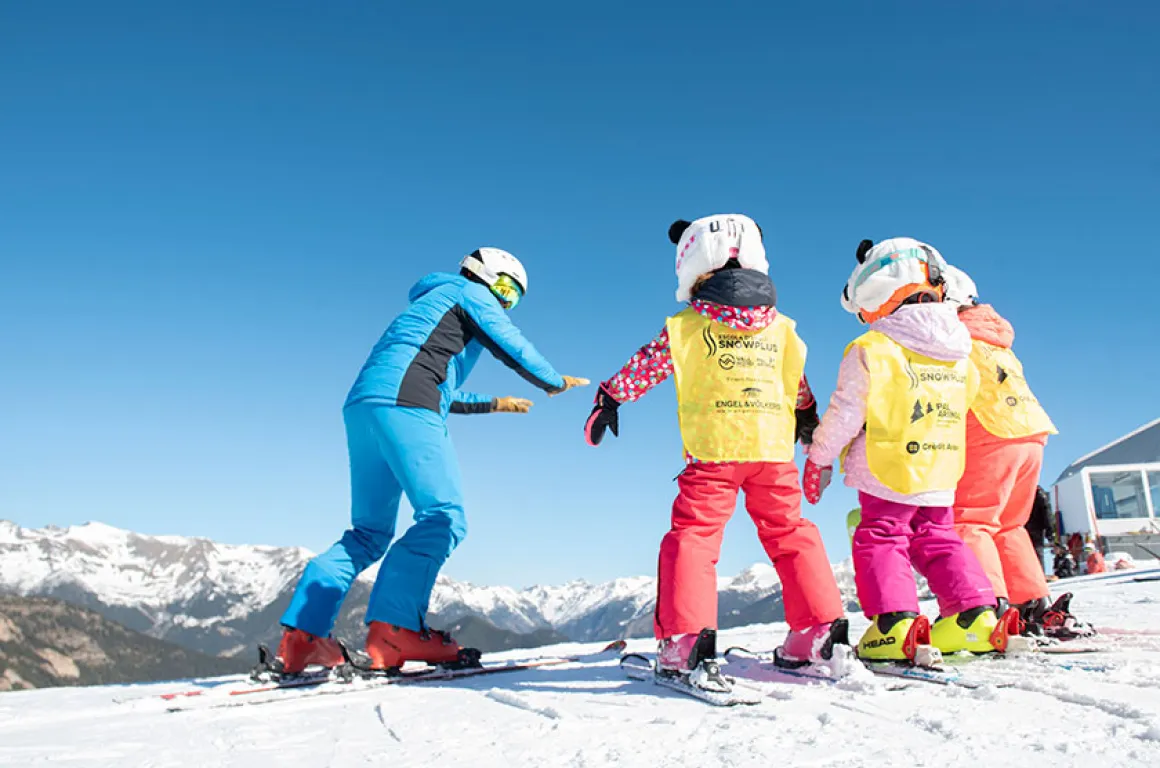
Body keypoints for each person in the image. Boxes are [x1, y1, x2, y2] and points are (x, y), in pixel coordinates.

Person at [275, 248, 588, 674]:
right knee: (444, 517)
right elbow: (509, 343)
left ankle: (303, 638)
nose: (505, 301)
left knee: (368, 533)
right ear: (481, 274)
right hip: (405, 405)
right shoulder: (468, 293)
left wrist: (496, 403)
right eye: (504, 288)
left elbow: (429, 385)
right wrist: (552, 380)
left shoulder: (431, 305)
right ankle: (395, 633)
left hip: (365, 408)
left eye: (514, 297)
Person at [584, 214, 847, 686]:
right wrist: (807, 417)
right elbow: (797, 383)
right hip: (772, 451)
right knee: (790, 533)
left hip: (714, 451)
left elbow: (646, 365)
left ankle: (686, 641)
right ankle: (820, 630)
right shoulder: (783, 328)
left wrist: (610, 397)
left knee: (695, 538)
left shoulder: (686, 326)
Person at [804, 238, 1015, 663]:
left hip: (887, 465)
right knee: (940, 536)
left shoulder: (872, 348)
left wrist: (819, 457)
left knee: (881, 535)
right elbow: (968, 395)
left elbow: (847, 413)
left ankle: (894, 624)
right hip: (941, 464)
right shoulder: (960, 350)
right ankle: (975, 615)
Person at [939, 267, 1090, 639]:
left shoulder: (952, 337)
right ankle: (1032, 604)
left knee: (970, 521)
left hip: (989, 432)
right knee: (1008, 525)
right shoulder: (995, 336)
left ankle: (987, 609)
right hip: (1030, 433)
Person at [1025, 486, 1055, 575]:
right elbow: (1047, 512)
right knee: (1036, 552)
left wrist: (1049, 529)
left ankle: (1037, 575)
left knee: (1033, 552)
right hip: (1033, 527)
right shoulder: (1038, 493)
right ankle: (1038, 576)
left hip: (1030, 527)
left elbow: (1046, 513)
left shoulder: (1036, 493)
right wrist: (1049, 530)